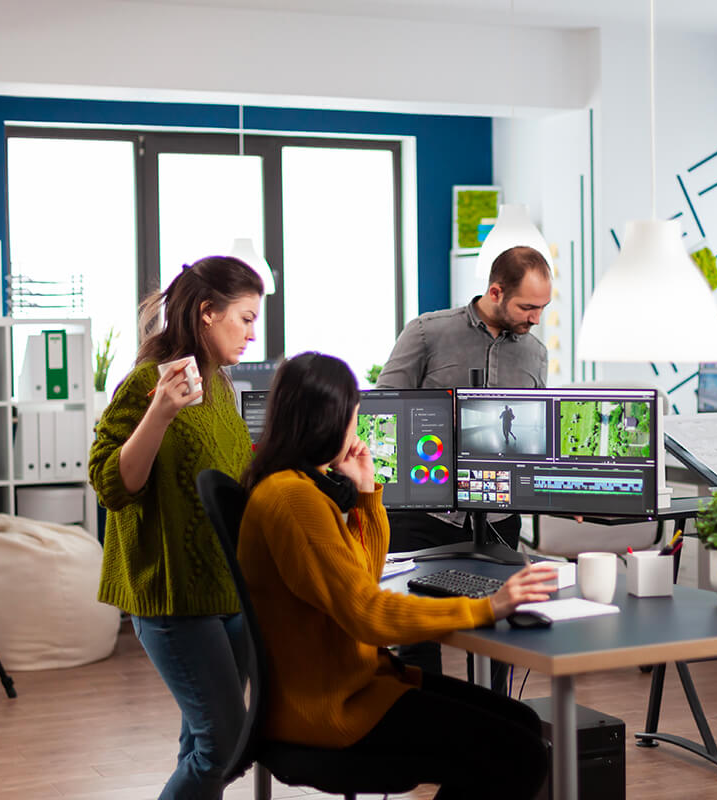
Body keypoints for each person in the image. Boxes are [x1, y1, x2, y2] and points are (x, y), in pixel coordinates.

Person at [237, 352, 555, 799]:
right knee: (519, 753)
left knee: (520, 724)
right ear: (328, 422)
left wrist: (366, 496)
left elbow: (360, 581)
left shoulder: (291, 486)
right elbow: (368, 614)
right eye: (353, 417)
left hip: (350, 688)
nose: (356, 429)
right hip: (333, 711)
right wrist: (488, 606)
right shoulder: (295, 501)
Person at [90, 256, 263, 799]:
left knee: (204, 748)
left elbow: (233, 479)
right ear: (208, 313)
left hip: (225, 590)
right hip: (170, 594)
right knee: (224, 745)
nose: (253, 333)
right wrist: (160, 413)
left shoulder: (223, 389)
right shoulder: (149, 383)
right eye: (246, 318)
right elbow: (111, 485)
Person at [376, 244, 551, 683]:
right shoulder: (427, 333)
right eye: (528, 307)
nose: (536, 319)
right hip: (423, 510)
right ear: (495, 291)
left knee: (503, 629)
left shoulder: (535, 353)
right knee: (418, 632)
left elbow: (533, 431)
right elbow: (381, 411)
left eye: (543, 308)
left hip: (499, 514)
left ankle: (497, 727)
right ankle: (428, 732)